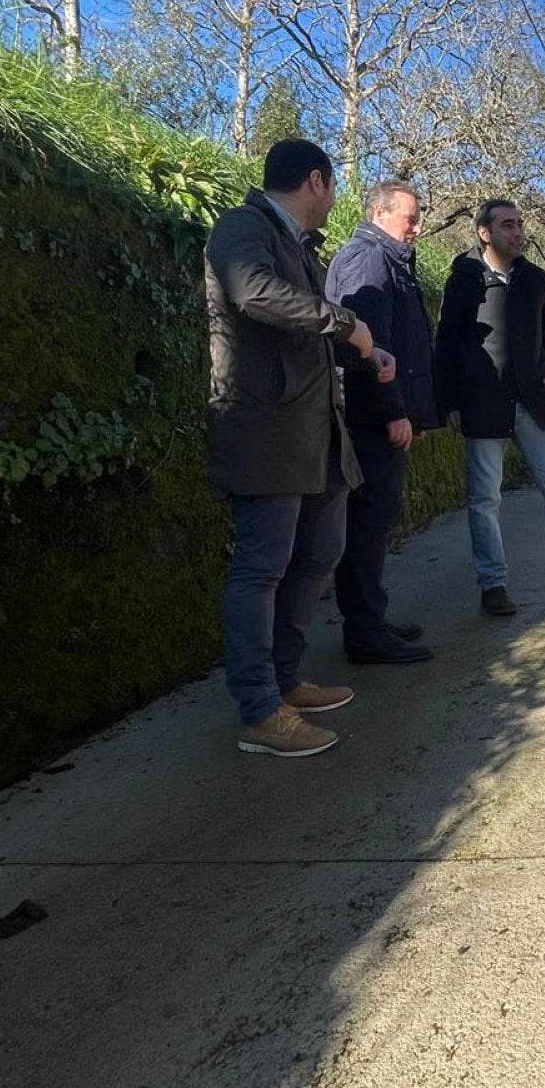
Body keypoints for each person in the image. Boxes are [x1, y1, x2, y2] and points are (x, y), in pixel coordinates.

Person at [204, 139, 395, 758]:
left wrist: (366, 351)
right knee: (261, 568)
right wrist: (346, 323)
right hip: (266, 430)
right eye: (333, 186)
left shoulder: (300, 246)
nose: (334, 199)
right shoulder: (243, 226)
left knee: (319, 553)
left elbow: (307, 329)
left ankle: (286, 680)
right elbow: (253, 293)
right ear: (317, 180)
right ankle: (261, 711)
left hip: (315, 433)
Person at [433, 198, 545, 615]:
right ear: (485, 233)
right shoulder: (464, 279)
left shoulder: (534, 279)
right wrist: (451, 401)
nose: (517, 232)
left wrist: (541, 379)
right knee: (485, 500)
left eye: (519, 224)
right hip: (483, 404)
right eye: (507, 225)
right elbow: (446, 345)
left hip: (533, 404)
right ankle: (493, 586)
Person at [326, 180, 438, 666]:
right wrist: (393, 411)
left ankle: (370, 620)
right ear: (379, 213)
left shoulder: (384, 259)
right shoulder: (369, 260)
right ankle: (366, 632)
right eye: (410, 218)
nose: (417, 228)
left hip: (374, 415)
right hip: (369, 419)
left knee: (373, 521)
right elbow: (368, 347)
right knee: (368, 522)